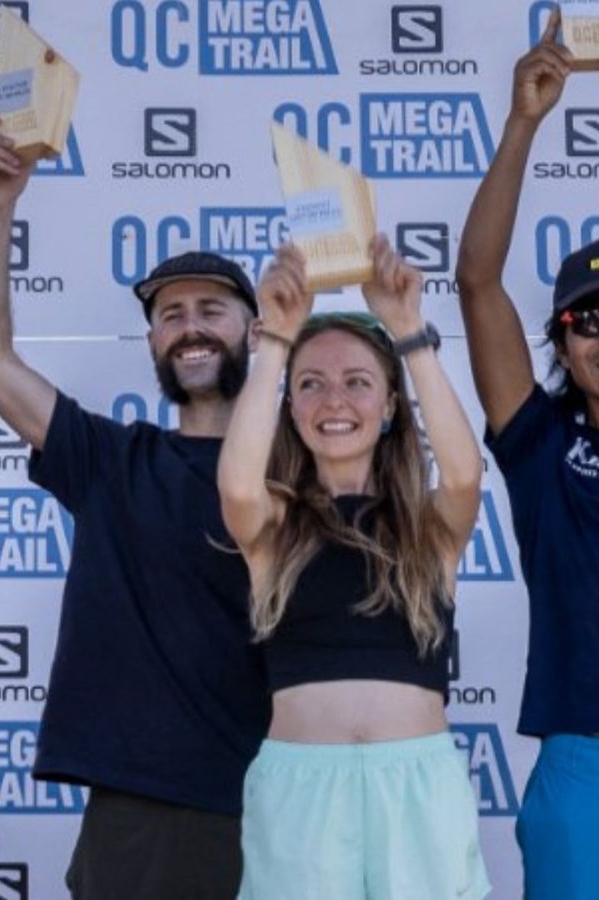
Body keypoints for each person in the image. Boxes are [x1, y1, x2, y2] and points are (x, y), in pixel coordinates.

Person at [0, 117, 270, 898]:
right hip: (140, 808)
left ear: (257, 331)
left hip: (284, 795)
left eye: (211, 309)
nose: (190, 327)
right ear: (154, 342)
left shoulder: (308, 473)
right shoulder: (112, 459)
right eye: (170, 314)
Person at [218, 239, 489, 899]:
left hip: (418, 790)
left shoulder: (427, 528)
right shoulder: (275, 525)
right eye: (311, 384)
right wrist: (276, 341)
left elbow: (463, 475)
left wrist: (408, 332)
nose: (333, 400)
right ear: (290, 408)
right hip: (301, 794)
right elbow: (238, 487)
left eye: (357, 382)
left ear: (391, 405)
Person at [456, 14, 599, 897]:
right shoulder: (544, 444)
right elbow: (477, 282)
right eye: (588, 319)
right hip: (584, 763)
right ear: (563, 343)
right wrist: (522, 123)